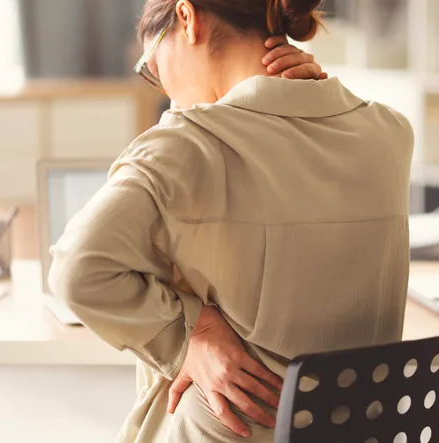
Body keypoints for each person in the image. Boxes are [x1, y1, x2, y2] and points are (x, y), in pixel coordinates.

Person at [48, 0, 414, 442]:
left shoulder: (185, 145)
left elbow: (78, 270)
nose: (164, 89)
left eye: (153, 65)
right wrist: (308, 98)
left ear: (187, 18)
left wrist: (190, 332)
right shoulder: (391, 134)